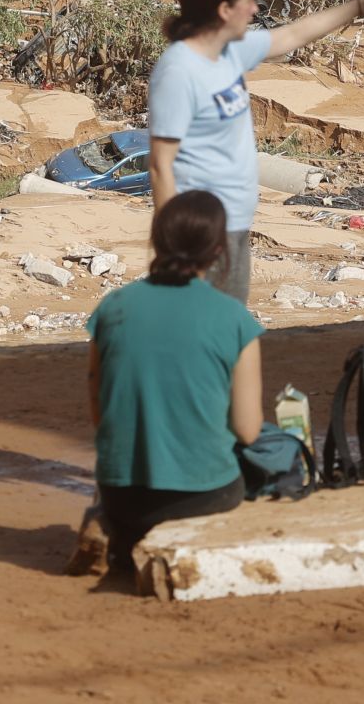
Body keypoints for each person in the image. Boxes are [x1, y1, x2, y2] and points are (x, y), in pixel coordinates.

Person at [147, 0, 364, 303]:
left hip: (232, 223)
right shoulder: (179, 70)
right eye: (248, 1)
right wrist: (172, 248)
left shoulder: (229, 50)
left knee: (223, 332)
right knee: (205, 335)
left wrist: (360, 7)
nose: (254, 10)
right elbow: (161, 166)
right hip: (197, 235)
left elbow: (292, 34)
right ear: (223, 11)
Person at [80, 191, 263, 572]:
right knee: (269, 455)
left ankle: (114, 531)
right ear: (218, 252)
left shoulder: (113, 307)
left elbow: (101, 413)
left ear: (157, 241)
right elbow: (247, 431)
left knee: (129, 510)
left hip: (122, 494)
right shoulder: (234, 319)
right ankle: (173, 548)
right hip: (204, 492)